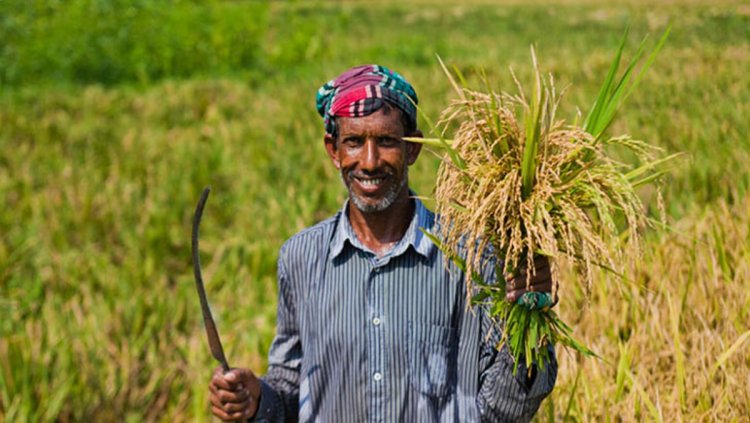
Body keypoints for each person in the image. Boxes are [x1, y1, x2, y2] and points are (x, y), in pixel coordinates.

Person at [208, 65, 557, 422]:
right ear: (333, 150)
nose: (370, 162)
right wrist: (258, 400)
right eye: (354, 142)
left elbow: (503, 409)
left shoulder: (471, 258)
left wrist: (529, 317)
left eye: (387, 141)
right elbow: (292, 387)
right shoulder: (301, 258)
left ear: (413, 148)